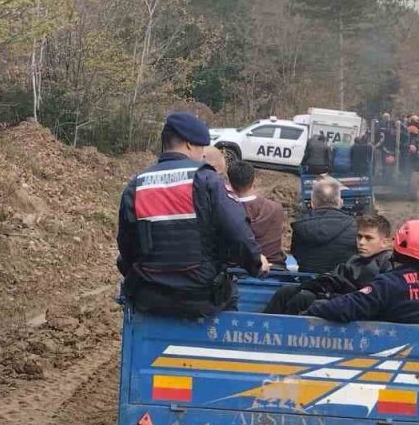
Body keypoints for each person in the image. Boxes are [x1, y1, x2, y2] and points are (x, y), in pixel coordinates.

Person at [117, 112, 269, 318]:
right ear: (189, 144)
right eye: (201, 149)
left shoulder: (137, 185)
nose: (202, 155)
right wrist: (256, 263)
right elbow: (236, 230)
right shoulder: (207, 180)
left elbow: (126, 246)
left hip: (151, 297)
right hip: (200, 297)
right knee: (230, 294)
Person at [305, 219, 419, 325]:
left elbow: (345, 307)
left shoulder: (388, 284)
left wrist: (314, 308)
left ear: (396, 245)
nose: (361, 242)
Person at [264, 214, 395, 315]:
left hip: (353, 308)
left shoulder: (386, 264)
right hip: (338, 299)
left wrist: (326, 295)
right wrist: (311, 286)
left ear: (385, 242)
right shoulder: (356, 259)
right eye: (359, 236)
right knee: (287, 291)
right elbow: (334, 278)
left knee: (304, 298)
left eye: (368, 238)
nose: (361, 242)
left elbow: (364, 296)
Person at [290, 177, 357, 274]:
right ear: (340, 202)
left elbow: (297, 254)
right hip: (343, 284)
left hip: (309, 284)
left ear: (312, 203)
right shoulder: (354, 226)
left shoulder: (301, 227)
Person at [228, 161, 287, 266]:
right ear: (254, 181)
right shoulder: (275, 209)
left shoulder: (226, 211)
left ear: (230, 184)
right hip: (274, 268)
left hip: (237, 271)